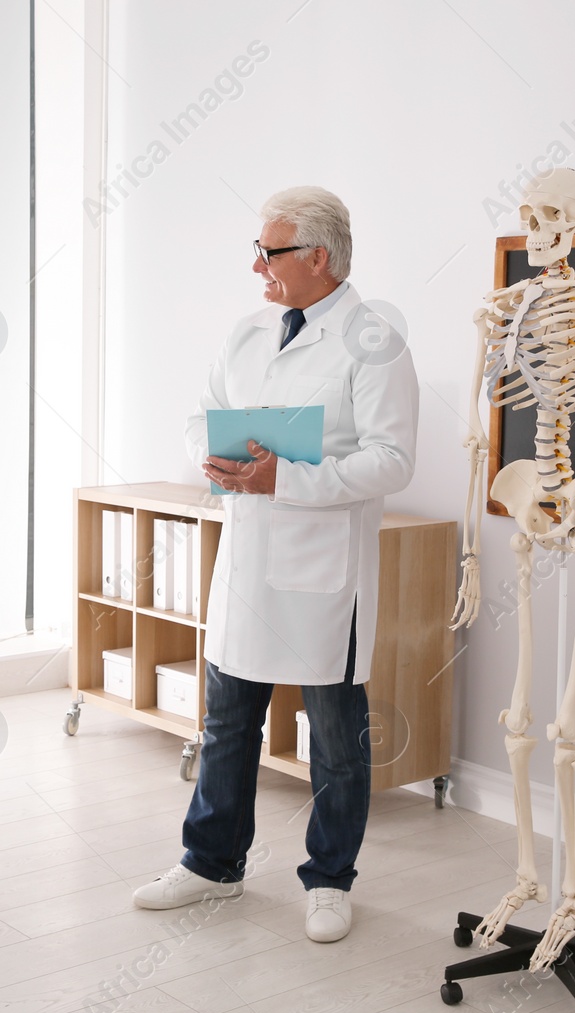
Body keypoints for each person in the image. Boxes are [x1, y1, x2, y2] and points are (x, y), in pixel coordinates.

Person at [132, 187, 418, 944]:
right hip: (249, 558)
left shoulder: (376, 339)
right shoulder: (249, 329)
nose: (257, 264)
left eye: (271, 250)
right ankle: (211, 862)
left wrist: (284, 478)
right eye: (257, 249)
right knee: (227, 723)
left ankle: (329, 878)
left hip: (325, 574)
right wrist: (215, 454)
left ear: (318, 258)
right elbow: (202, 410)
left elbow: (393, 461)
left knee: (334, 736)